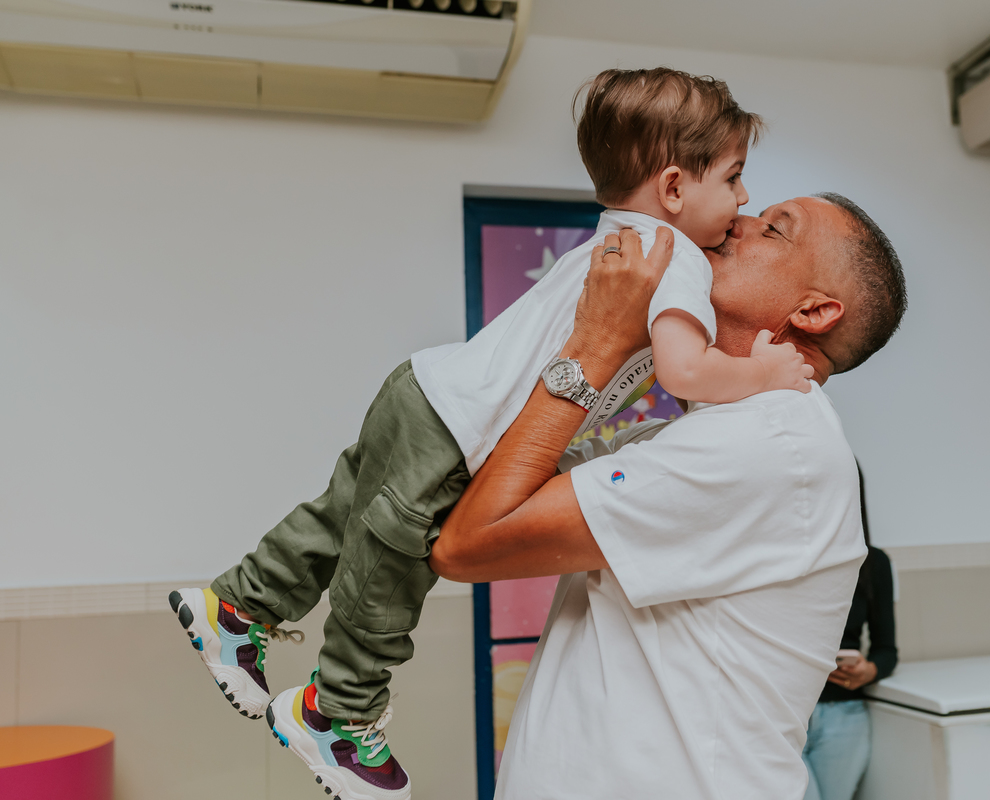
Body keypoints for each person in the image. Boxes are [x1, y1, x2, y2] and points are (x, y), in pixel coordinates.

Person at [166, 67, 812, 800]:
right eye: (733, 179)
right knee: (390, 574)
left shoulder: (618, 237)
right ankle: (336, 714)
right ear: (673, 188)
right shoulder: (678, 261)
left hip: (424, 391)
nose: (744, 199)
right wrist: (762, 375)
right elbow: (686, 370)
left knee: (339, 519)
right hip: (457, 431)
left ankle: (237, 605)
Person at [430, 193, 908, 799]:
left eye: (773, 231)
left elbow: (468, 545)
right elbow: (484, 483)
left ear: (813, 311)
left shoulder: (766, 440)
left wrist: (600, 342)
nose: (736, 221)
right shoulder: (693, 434)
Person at [801, 464, 897, 800]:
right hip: (787, 712)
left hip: (845, 715)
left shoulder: (874, 564)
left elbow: (887, 651)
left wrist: (867, 670)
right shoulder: (780, 562)